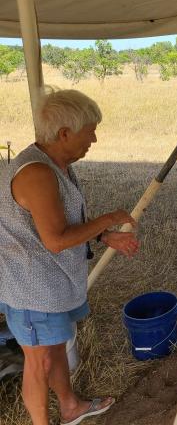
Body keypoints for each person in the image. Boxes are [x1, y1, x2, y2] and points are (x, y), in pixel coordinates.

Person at [0, 88, 140, 425]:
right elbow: (55, 240)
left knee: (56, 346)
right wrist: (107, 219)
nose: (94, 138)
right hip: (31, 289)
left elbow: (64, 224)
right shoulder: (36, 173)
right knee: (39, 362)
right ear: (65, 134)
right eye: (89, 130)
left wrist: (105, 236)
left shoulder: (57, 164)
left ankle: (70, 406)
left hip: (51, 283)